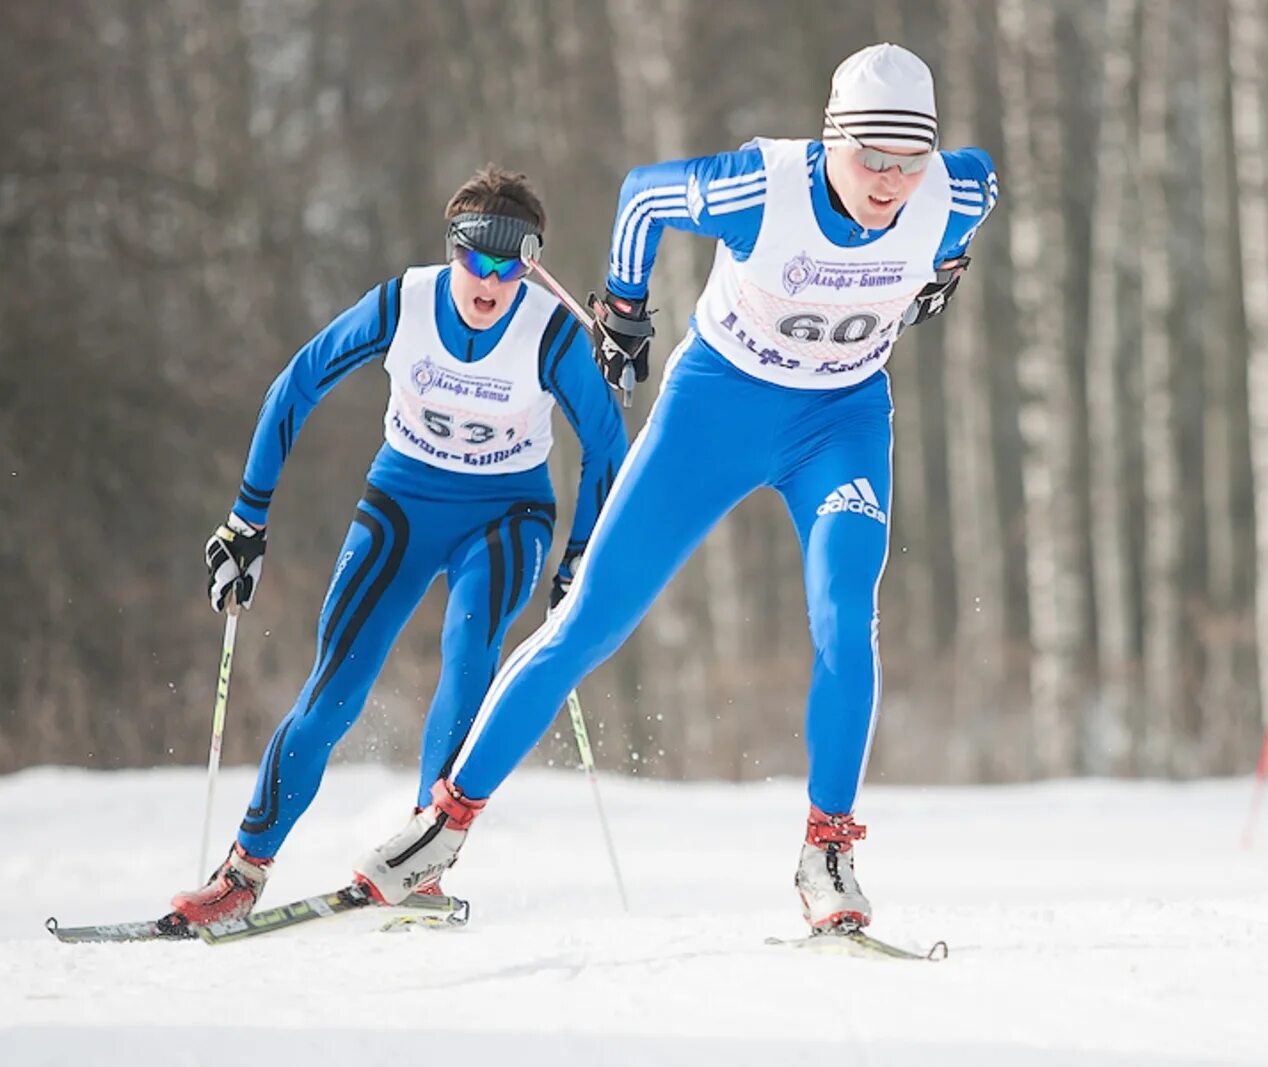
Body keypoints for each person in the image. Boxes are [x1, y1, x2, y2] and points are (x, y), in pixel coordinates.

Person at [349, 43, 1000, 933]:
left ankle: (828, 850)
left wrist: (948, 267)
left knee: (845, 611)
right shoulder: (764, 188)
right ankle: (444, 824)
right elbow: (645, 195)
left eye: (908, 160)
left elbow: (978, 192)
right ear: (830, 138)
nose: (890, 181)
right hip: (715, 411)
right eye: (870, 157)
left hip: (839, 423)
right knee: (589, 625)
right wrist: (622, 306)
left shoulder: (949, 191)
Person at [167, 165, 627, 926]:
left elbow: (606, 447)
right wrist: (246, 520)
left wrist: (581, 555)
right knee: (334, 687)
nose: (490, 278)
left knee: (469, 644)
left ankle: (422, 853)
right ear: (453, 251)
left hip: (506, 512)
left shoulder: (548, 331)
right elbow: (297, 382)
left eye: (511, 263)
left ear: (532, 264)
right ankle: (243, 871)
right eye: (476, 258)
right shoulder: (404, 303)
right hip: (404, 502)